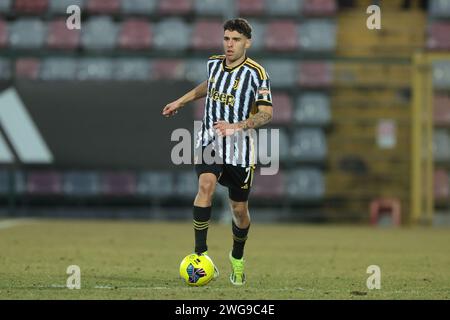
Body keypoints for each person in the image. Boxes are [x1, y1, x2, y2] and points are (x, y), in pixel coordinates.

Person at [162, 18, 273, 286]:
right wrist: (180, 100)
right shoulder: (214, 63)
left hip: (240, 148)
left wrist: (238, 126)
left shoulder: (257, 74)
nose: (230, 44)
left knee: (239, 210)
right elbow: (210, 85)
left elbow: (267, 114)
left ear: (248, 42)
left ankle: (237, 258)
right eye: (226, 39)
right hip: (210, 139)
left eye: (235, 39)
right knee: (206, 185)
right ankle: (201, 255)